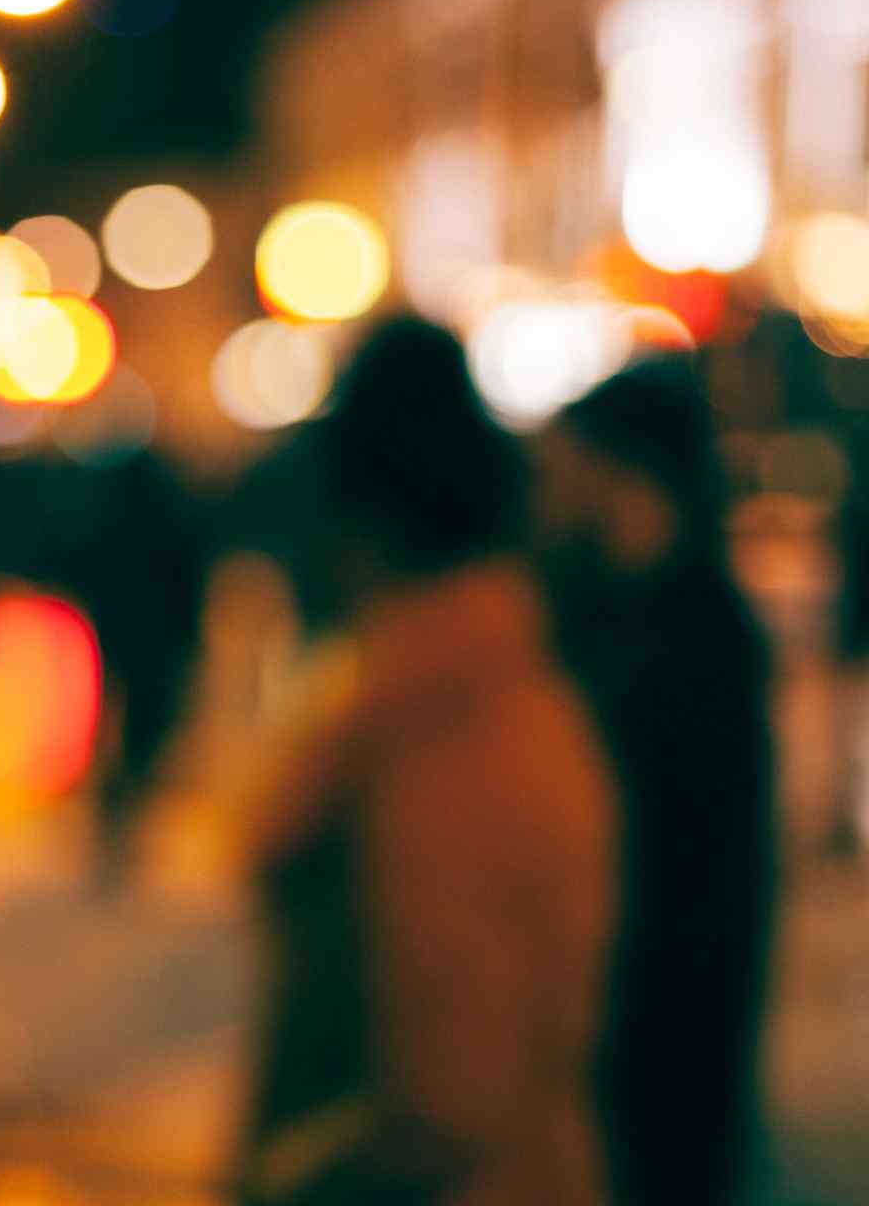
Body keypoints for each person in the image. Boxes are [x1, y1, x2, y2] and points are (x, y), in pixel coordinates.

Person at [240, 318, 618, 1206]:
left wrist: (292, 1178)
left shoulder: (437, 729)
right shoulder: (496, 686)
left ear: (363, 521)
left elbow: (450, 1096)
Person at [538, 357, 778, 1206]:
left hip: (659, 1022)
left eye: (566, 469)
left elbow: (699, 876)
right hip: (631, 1016)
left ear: (625, 475)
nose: (549, 494)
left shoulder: (694, 639)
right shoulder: (618, 610)